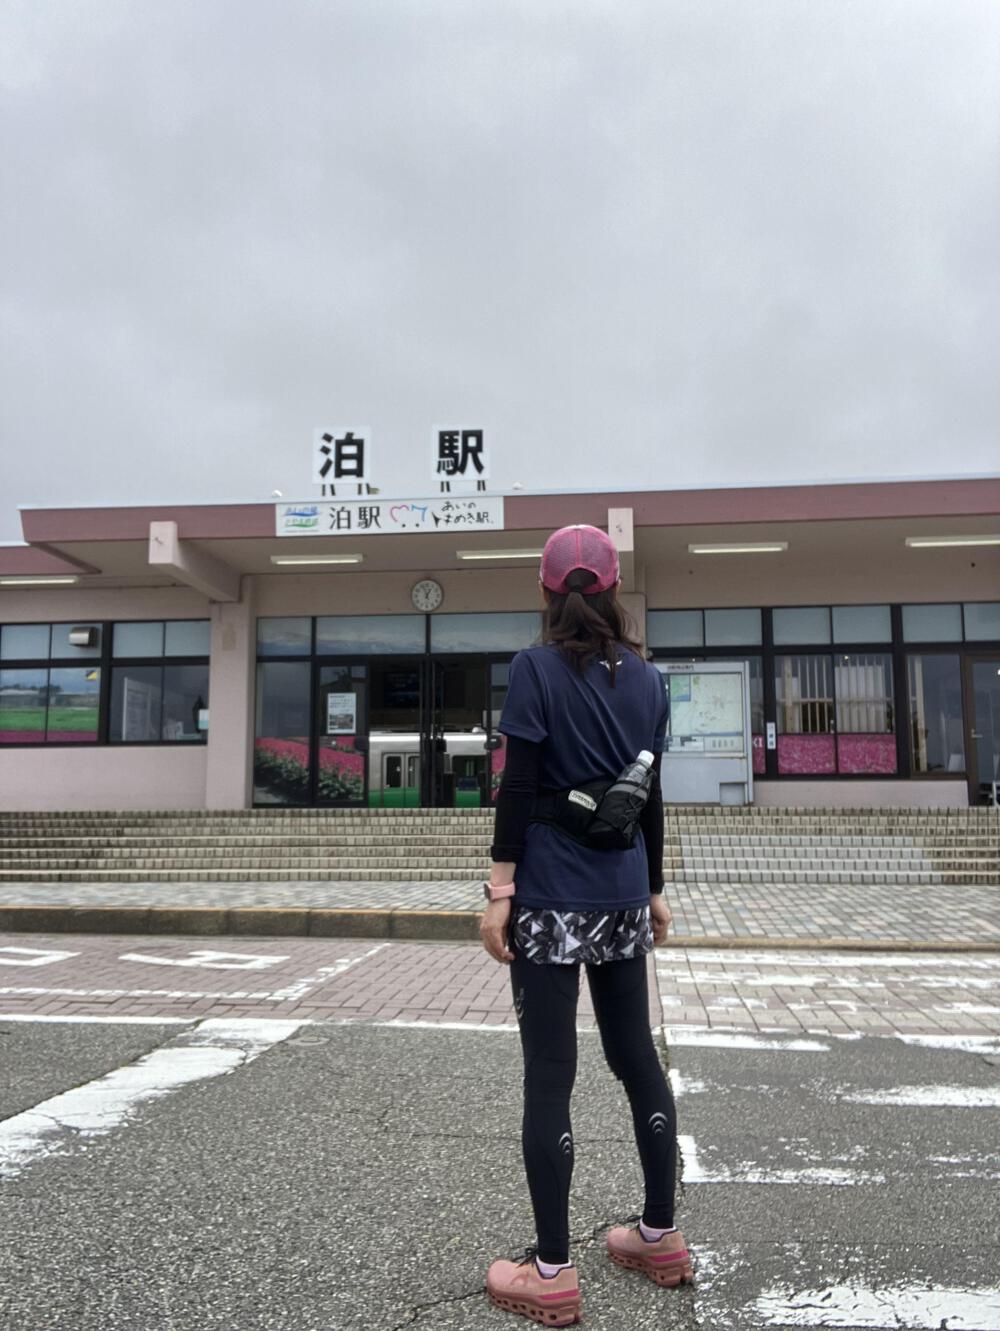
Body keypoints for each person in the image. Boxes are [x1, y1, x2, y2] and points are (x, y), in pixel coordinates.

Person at [481, 523, 694, 1327]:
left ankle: (552, 1271)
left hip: (549, 894)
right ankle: (660, 1234)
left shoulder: (533, 670)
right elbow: (652, 795)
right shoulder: (650, 681)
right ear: (611, 592)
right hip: (619, 894)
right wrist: (655, 888)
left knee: (550, 1073)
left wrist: (501, 887)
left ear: (547, 592)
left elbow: (519, 785)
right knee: (637, 1055)